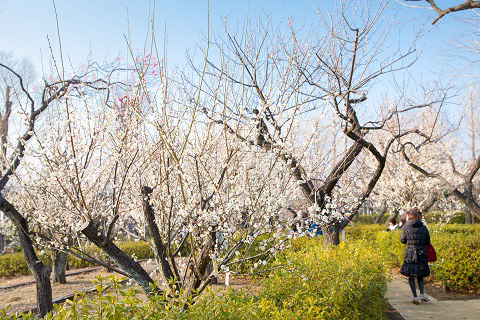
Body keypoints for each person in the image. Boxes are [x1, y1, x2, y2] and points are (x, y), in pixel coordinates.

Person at [400, 209, 431, 304]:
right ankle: (422, 293)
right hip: (421, 252)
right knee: (420, 274)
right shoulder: (424, 227)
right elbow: (428, 241)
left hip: (410, 253)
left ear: (408, 217)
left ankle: (415, 296)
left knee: (411, 275)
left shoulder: (405, 227)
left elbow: (402, 240)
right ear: (418, 217)